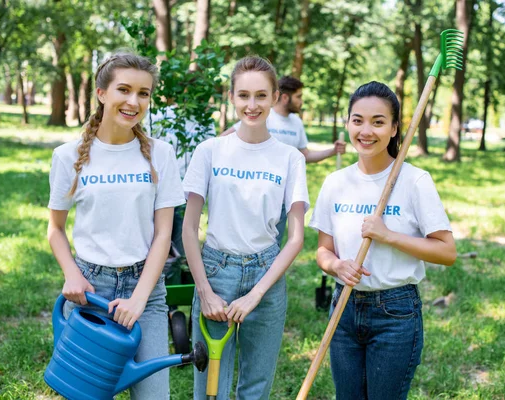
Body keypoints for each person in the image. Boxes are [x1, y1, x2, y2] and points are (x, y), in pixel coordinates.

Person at [47, 52, 185, 399]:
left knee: (154, 395)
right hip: (90, 291)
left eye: (144, 93)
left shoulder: (161, 153)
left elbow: (163, 234)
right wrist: (72, 275)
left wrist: (138, 299)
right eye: (124, 89)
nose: (133, 101)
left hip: (146, 292)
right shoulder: (68, 156)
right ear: (101, 93)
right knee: (85, 392)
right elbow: (56, 229)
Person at [308, 81, 457, 399]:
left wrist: (388, 236)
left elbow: (447, 252)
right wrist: (336, 266)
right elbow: (323, 250)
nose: (366, 131)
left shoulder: (414, 181)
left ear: (393, 129)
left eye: (378, 122)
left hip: (395, 312)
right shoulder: (335, 182)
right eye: (358, 120)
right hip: (344, 307)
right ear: (348, 122)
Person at [182, 56, 309, 399]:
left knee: (255, 387)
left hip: (265, 275)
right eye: (243, 96)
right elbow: (189, 227)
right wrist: (205, 291)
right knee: (210, 388)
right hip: (216, 270)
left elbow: (296, 238)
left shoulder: (290, 158)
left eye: (261, 96)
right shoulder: (210, 150)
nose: (252, 105)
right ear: (232, 97)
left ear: (274, 97)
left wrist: (257, 293)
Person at [222, 76, 346, 245]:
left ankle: (273, 271)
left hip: (282, 196)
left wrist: (332, 151)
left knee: (273, 245)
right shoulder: (262, 115)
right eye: (299, 96)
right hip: (257, 193)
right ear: (286, 97)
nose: (301, 101)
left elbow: (305, 155)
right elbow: (223, 140)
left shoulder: (296, 122)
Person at [147, 103, 216, 262]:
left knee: (182, 240)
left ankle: (179, 274)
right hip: (161, 187)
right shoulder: (161, 113)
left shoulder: (204, 120)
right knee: (157, 239)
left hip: (189, 190)